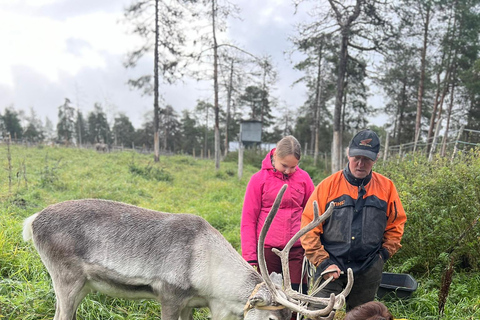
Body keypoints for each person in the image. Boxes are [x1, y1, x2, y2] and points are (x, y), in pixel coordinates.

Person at [301, 129, 407, 311]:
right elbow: (309, 228)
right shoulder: (327, 187)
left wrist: (383, 255)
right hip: (330, 266)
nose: (360, 164)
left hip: (368, 269)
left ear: (376, 158)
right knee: (319, 314)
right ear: (348, 153)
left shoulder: (387, 188)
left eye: (367, 159)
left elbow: (396, 224)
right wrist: (323, 261)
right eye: (356, 157)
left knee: (361, 316)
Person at [241, 135, 315, 293]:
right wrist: (250, 256)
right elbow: (249, 220)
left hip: (296, 249)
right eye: (284, 165)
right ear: (274, 156)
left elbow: (312, 215)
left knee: (298, 294)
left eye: (293, 167)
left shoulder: (304, 179)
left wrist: (312, 247)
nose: (288, 171)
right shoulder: (258, 180)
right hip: (267, 250)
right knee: (267, 295)